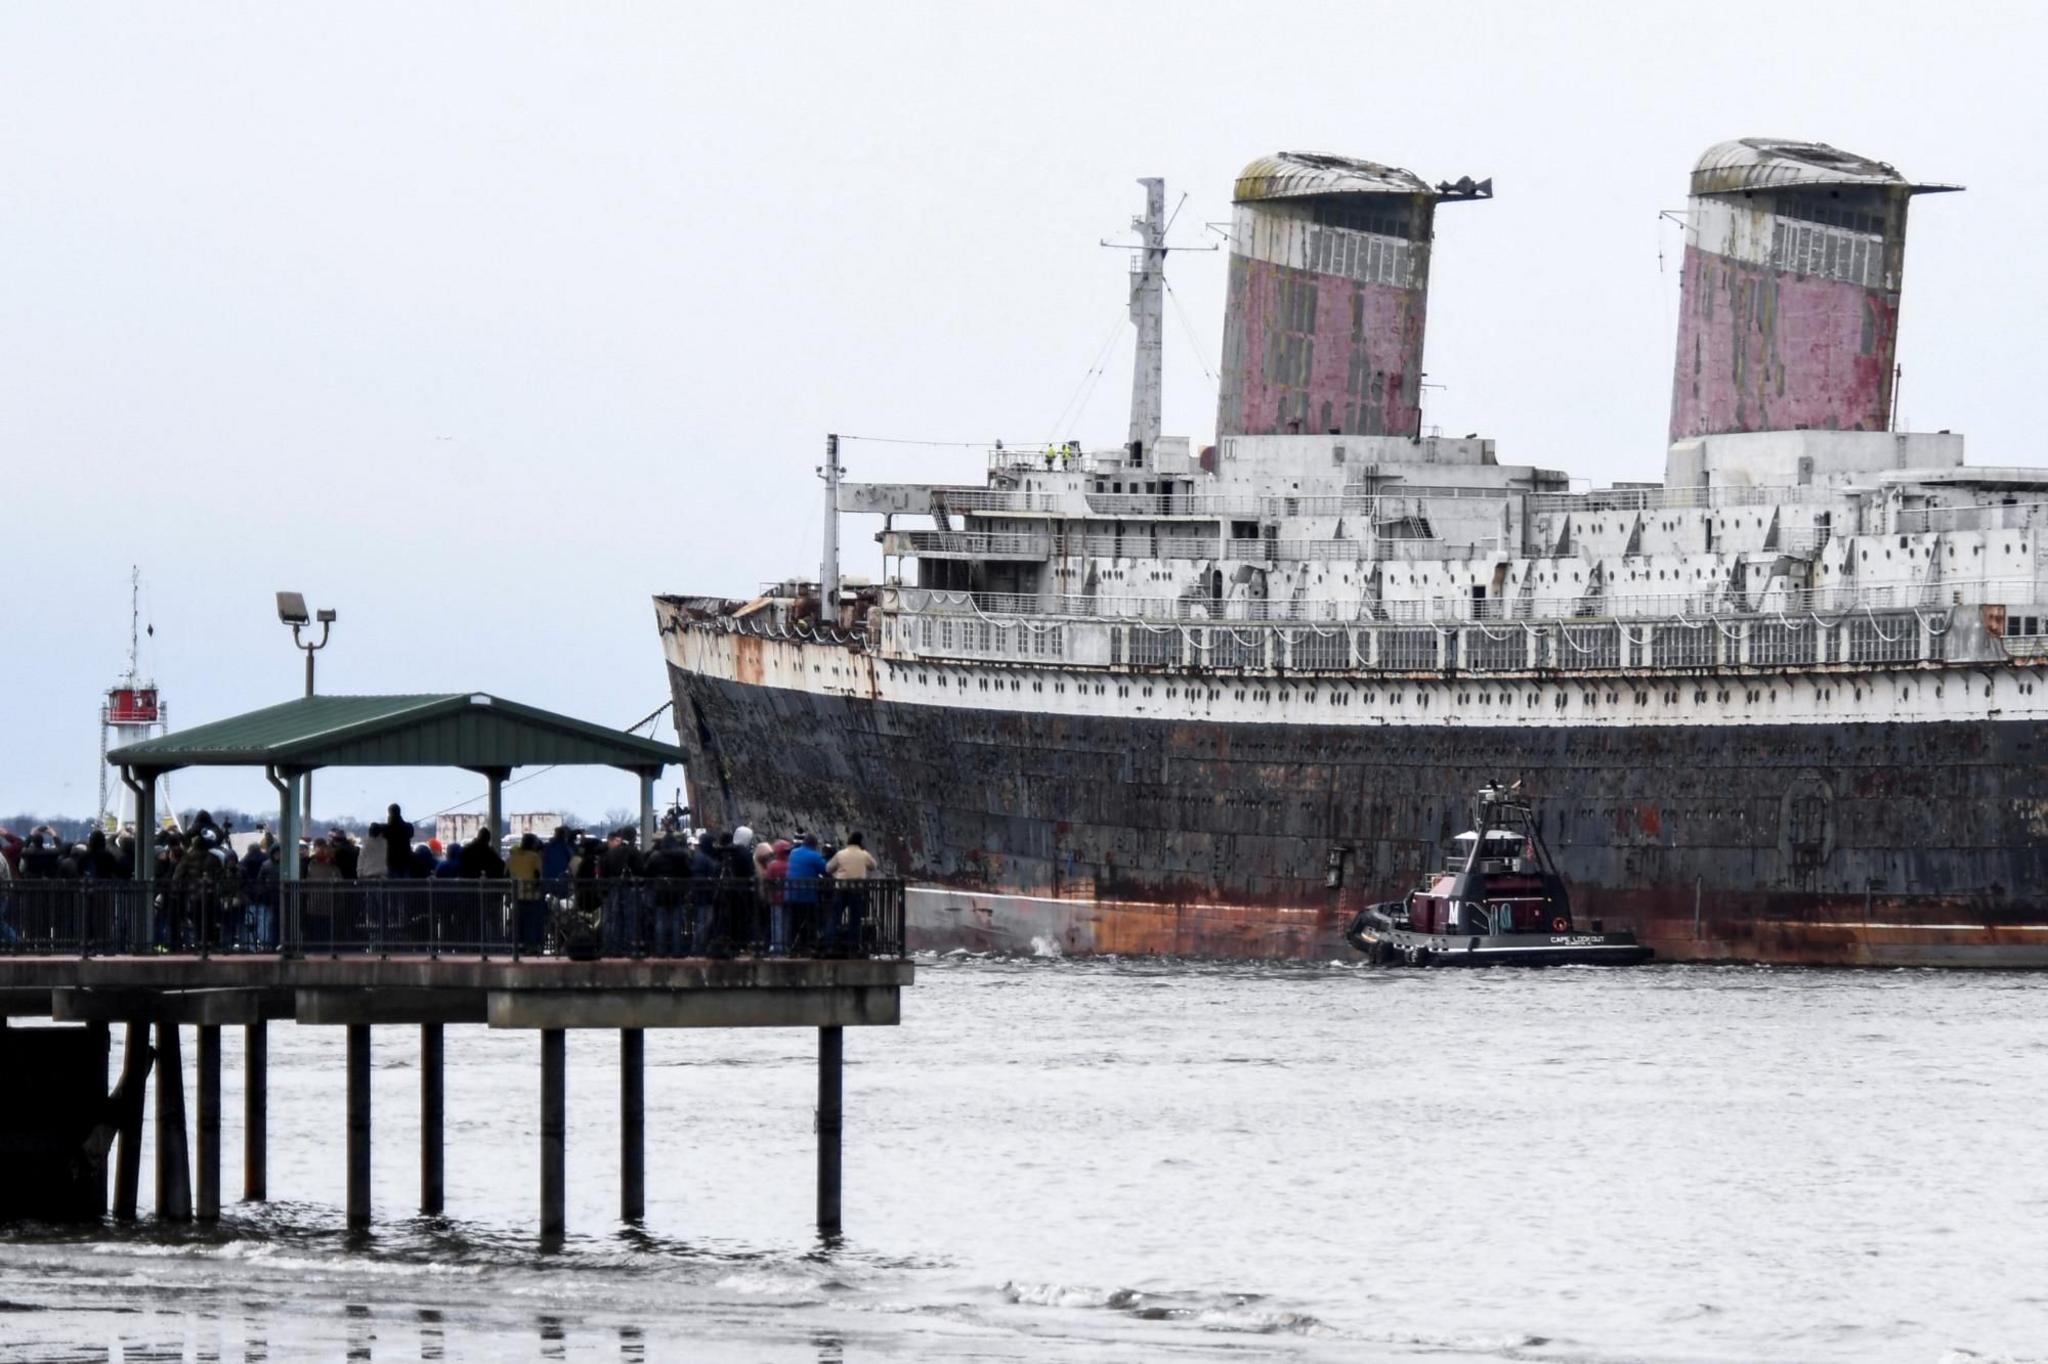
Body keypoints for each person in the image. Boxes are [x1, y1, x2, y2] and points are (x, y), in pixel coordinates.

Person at [784, 833, 828, 954]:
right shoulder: (814, 856)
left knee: (794, 921)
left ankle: (791, 946)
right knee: (811, 920)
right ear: (814, 845)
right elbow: (826, 869)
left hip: (790, 893)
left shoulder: (793, 853)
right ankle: (807, 945)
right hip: (807, 895)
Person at [507, 833, 546, 951]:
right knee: (532, 923)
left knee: (518, 924)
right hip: (532, 895)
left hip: (516, 894)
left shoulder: (511, 857)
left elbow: (506, 874)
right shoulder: (534, 857)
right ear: (533, 844)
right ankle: (533, 947)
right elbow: (537, 875)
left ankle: (518, 948)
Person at [382, 805, 414, 878]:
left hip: (392, 861)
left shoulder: (387, 828)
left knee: (393, 885)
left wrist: (389, 821)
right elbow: (411, 833)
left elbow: (384, 833)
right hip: (405, 860)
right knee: (405, 884)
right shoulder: (408, 827)